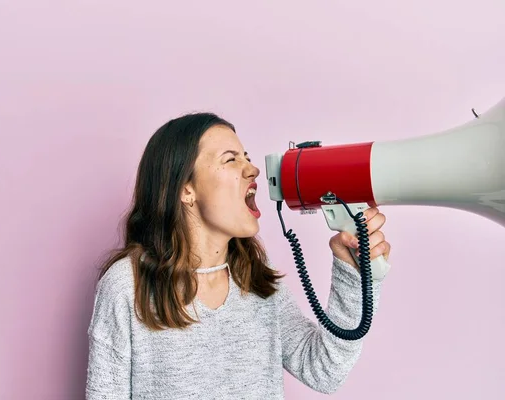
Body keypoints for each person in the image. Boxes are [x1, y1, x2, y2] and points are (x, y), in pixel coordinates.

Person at [85, 113, 391, 399]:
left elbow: (324, 370)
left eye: (247, 157)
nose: (253, 169)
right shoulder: (128, 286)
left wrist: (354, 273)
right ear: (186, 189)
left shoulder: (254, 277)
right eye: (230, 159)